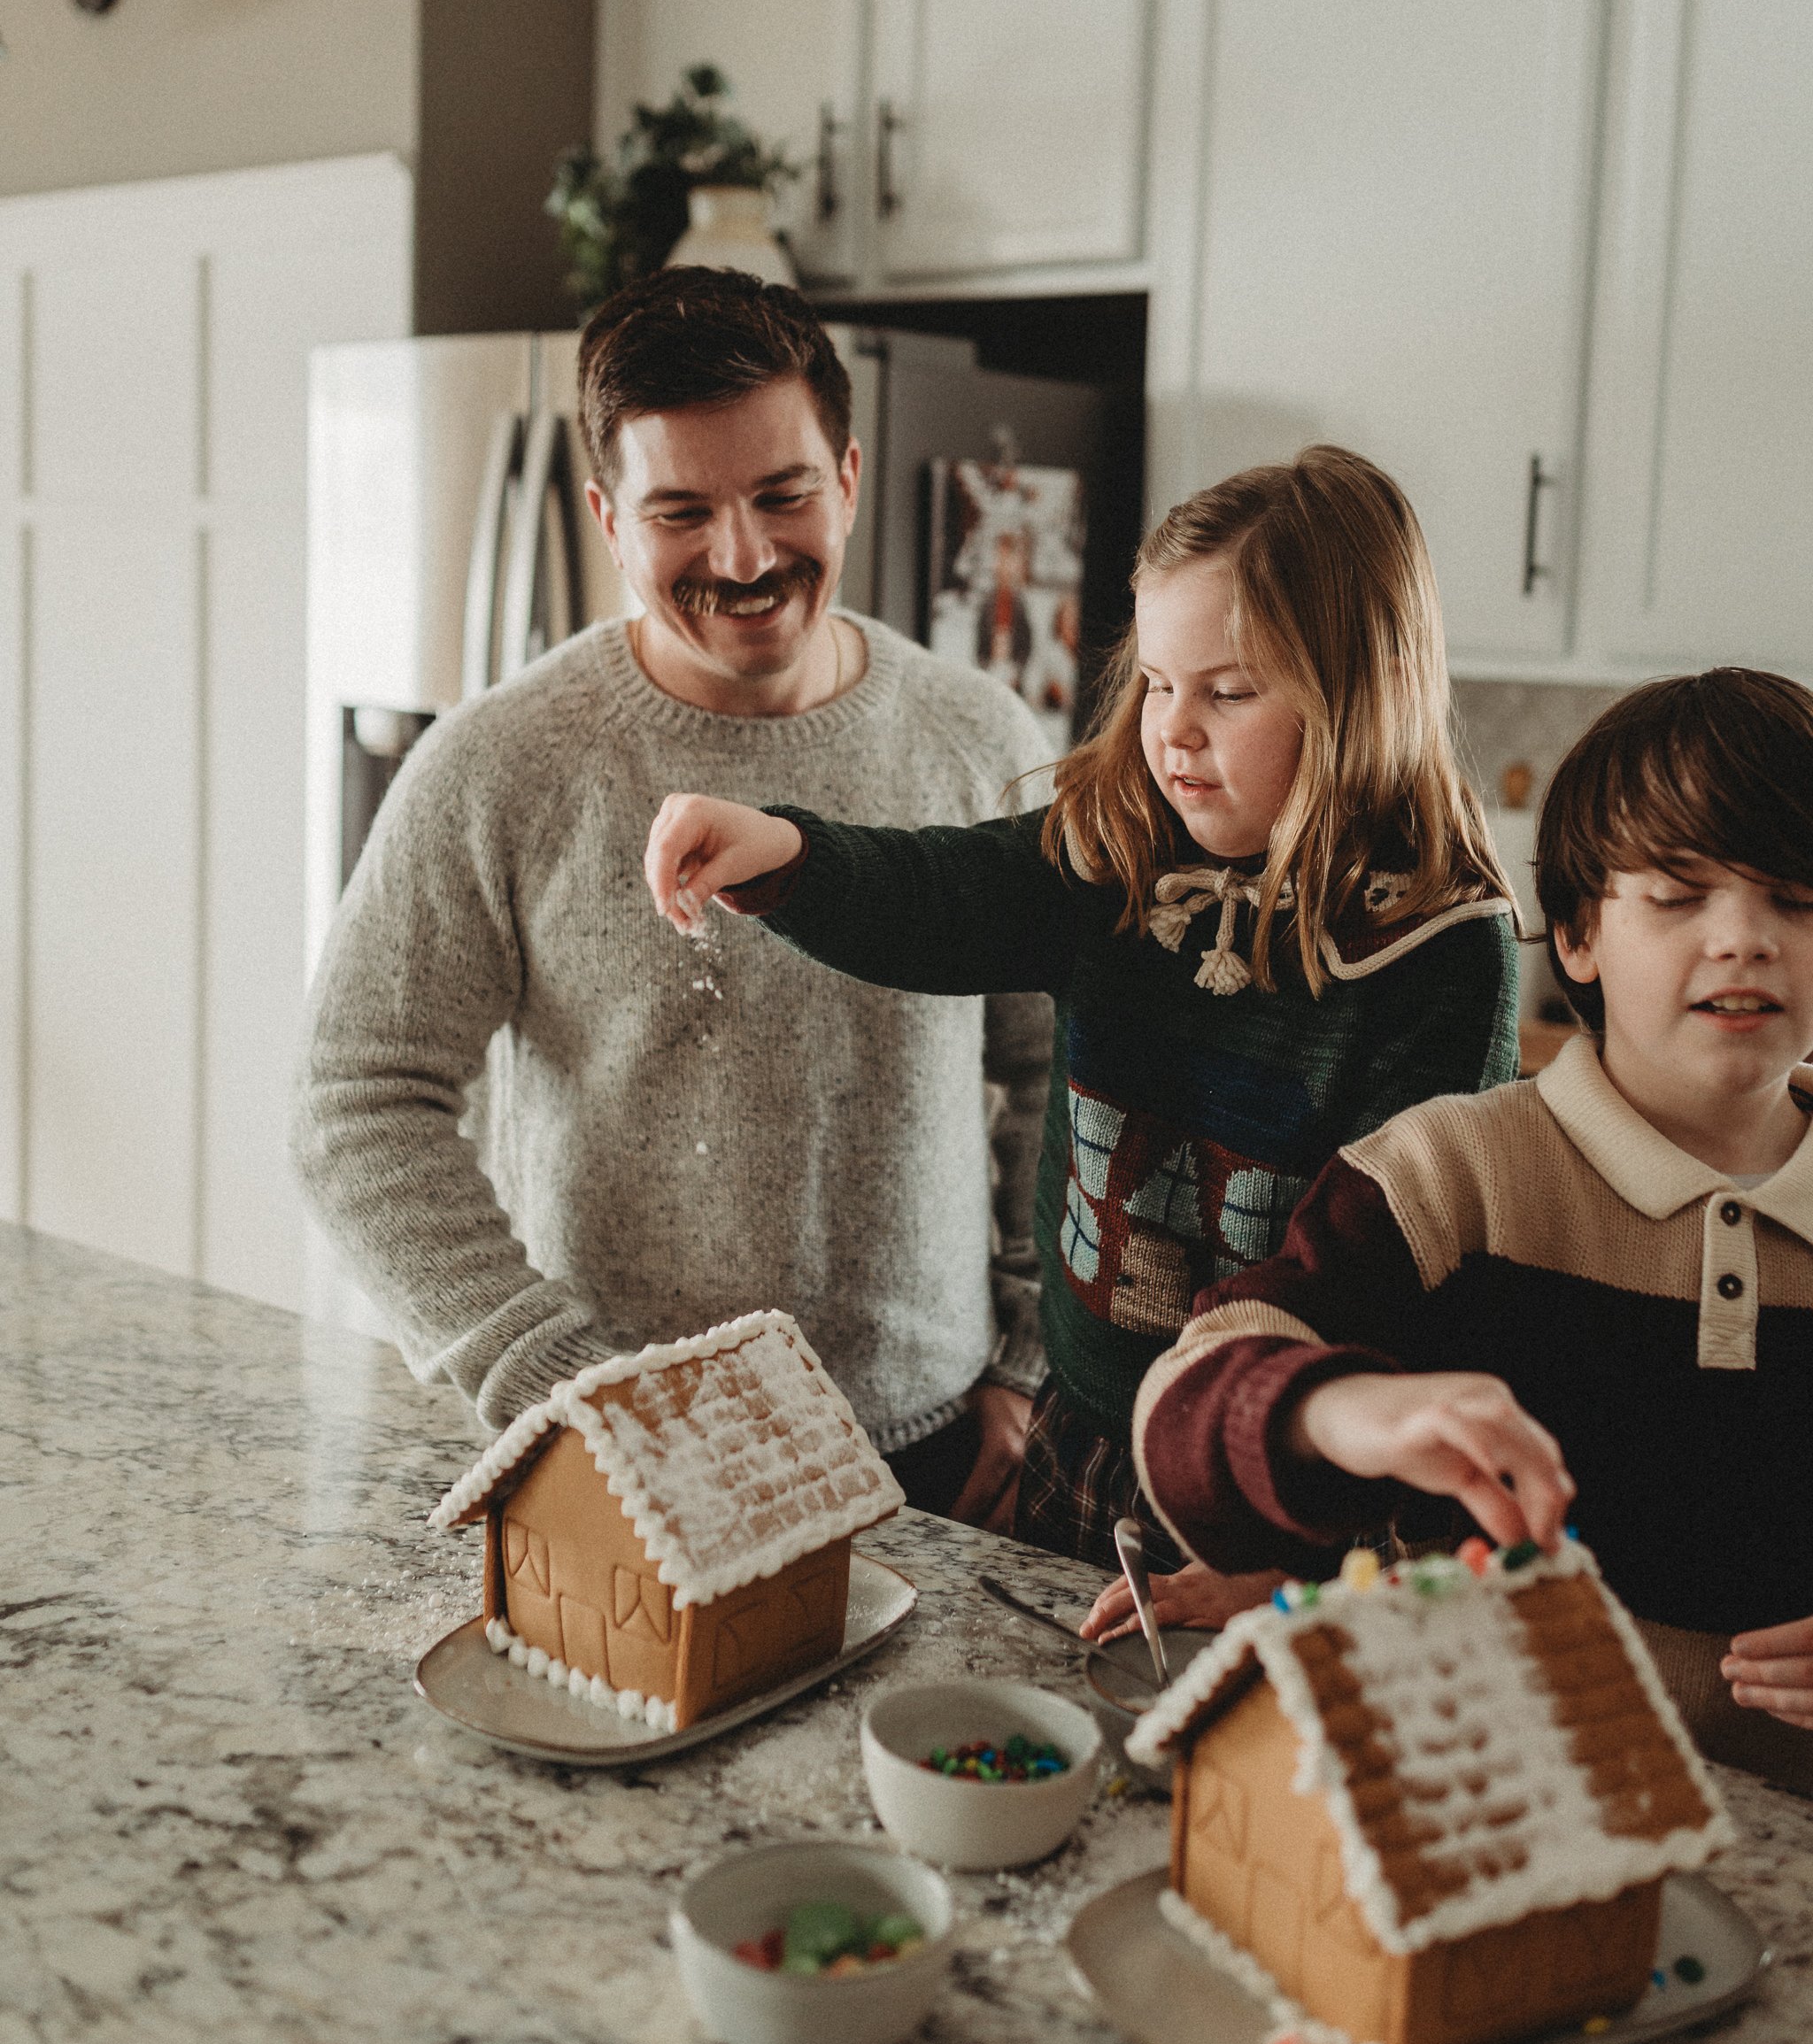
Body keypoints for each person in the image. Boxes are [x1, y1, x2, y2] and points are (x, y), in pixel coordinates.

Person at [643, 446, 1520, 1585]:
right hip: (1085, 1427)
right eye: (1157, 682)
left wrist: (1300, 1557)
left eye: (1228, 690)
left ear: (1361, 691)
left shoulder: (1436, 951)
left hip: (1286, 1484)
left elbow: (1412, 1287)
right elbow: (944, 893)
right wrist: (788, 856)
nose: (1172, 729)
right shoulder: (1117, 847)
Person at [292, 269, 1054, 1526]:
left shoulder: (980, 736)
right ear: (606, 516)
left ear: (849, 478)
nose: (744, 554)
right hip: (618, 1461)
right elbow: (354, 1098)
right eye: (681, 510)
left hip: (936, 1455)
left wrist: (1030, 1350)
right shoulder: (504, 761)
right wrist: (550, 1376)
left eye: (783, 494)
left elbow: (1059, 1055)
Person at [1123, 667, 1813, 1790]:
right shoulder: (1453, 1177)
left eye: (1795, 897)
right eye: (1678, 895)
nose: (1744, 939)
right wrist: (1333, 1409)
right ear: (1579, 935)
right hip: (1494, 1796)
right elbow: (1187, 1401)